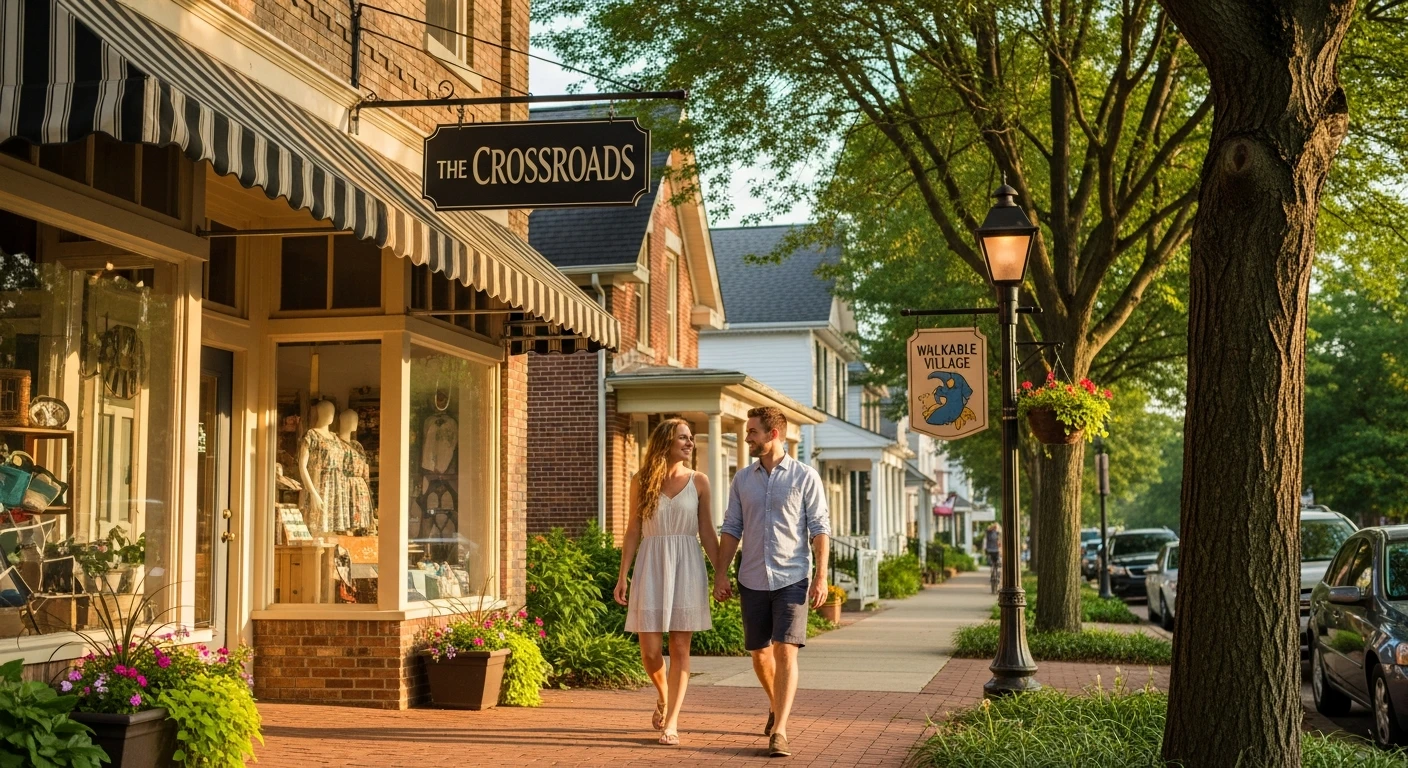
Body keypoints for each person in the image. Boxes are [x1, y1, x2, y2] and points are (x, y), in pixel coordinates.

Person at [714, 407, 830, 758]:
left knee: (784, 650)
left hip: (792, 577)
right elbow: (732, 528)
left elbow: (820, 530)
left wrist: (821, 577)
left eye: (752, 432)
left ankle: (779, 731)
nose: (746, 437)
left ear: (773, 434)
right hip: (751, 577)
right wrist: (720, 572)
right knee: (760, 654)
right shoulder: (742, 479)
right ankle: (775, 704)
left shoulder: (805, 477)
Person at [614, 418, 719, 746]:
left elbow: (707, 531)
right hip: (651, 563)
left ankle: (671, 722)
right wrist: (623, 575)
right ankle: (663, 694)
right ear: (664, 443)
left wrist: (722, 572)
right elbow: (633, 529)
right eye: (683, 438)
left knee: (679, 646)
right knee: (649, 651)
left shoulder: (699, 481)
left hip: (687, 564)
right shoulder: (640, 480)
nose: (689, 443)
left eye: (691, 438)